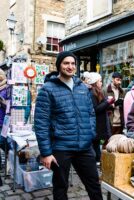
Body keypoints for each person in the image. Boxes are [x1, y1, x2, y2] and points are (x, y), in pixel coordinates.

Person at [34, 51, 103, 200]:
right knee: (60, 187)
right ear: (59, 65)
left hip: (84, 146)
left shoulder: (82, 88)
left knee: (94, 185)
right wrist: (46, 153)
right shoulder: (48, 89)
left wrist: (90, 133)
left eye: (73, 63)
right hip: (61, 147)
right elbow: (41, 123)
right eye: (66, 63)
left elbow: (91, 113)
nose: (70, 67)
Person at [86, 72, 114, 163]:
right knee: (95, 143)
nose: (101, 83)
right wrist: (108, 102)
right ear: (95, 82)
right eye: (100, 81)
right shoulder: (91, 93)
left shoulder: (98, 92)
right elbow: (96, 109)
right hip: (96, 123)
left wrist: (109, 104)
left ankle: (98, 160)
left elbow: (101, 106)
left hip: (99, 122)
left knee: (96, 143)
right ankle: (97, 161)